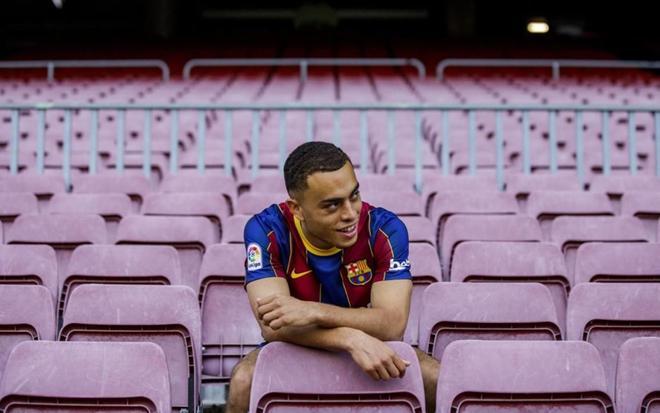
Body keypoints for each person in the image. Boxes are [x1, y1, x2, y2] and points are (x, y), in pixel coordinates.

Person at [227, 141, 439, 413]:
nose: (350, 214)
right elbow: (274, 327)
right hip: (298, 343)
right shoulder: (266, 230)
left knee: (435, 379)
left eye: (354, 195)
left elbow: (392, 324)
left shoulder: (385, 228)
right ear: (297, 209)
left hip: (376, 341)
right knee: (243, 382)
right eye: (332, 205)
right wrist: (349, 338)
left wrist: (313, 311)